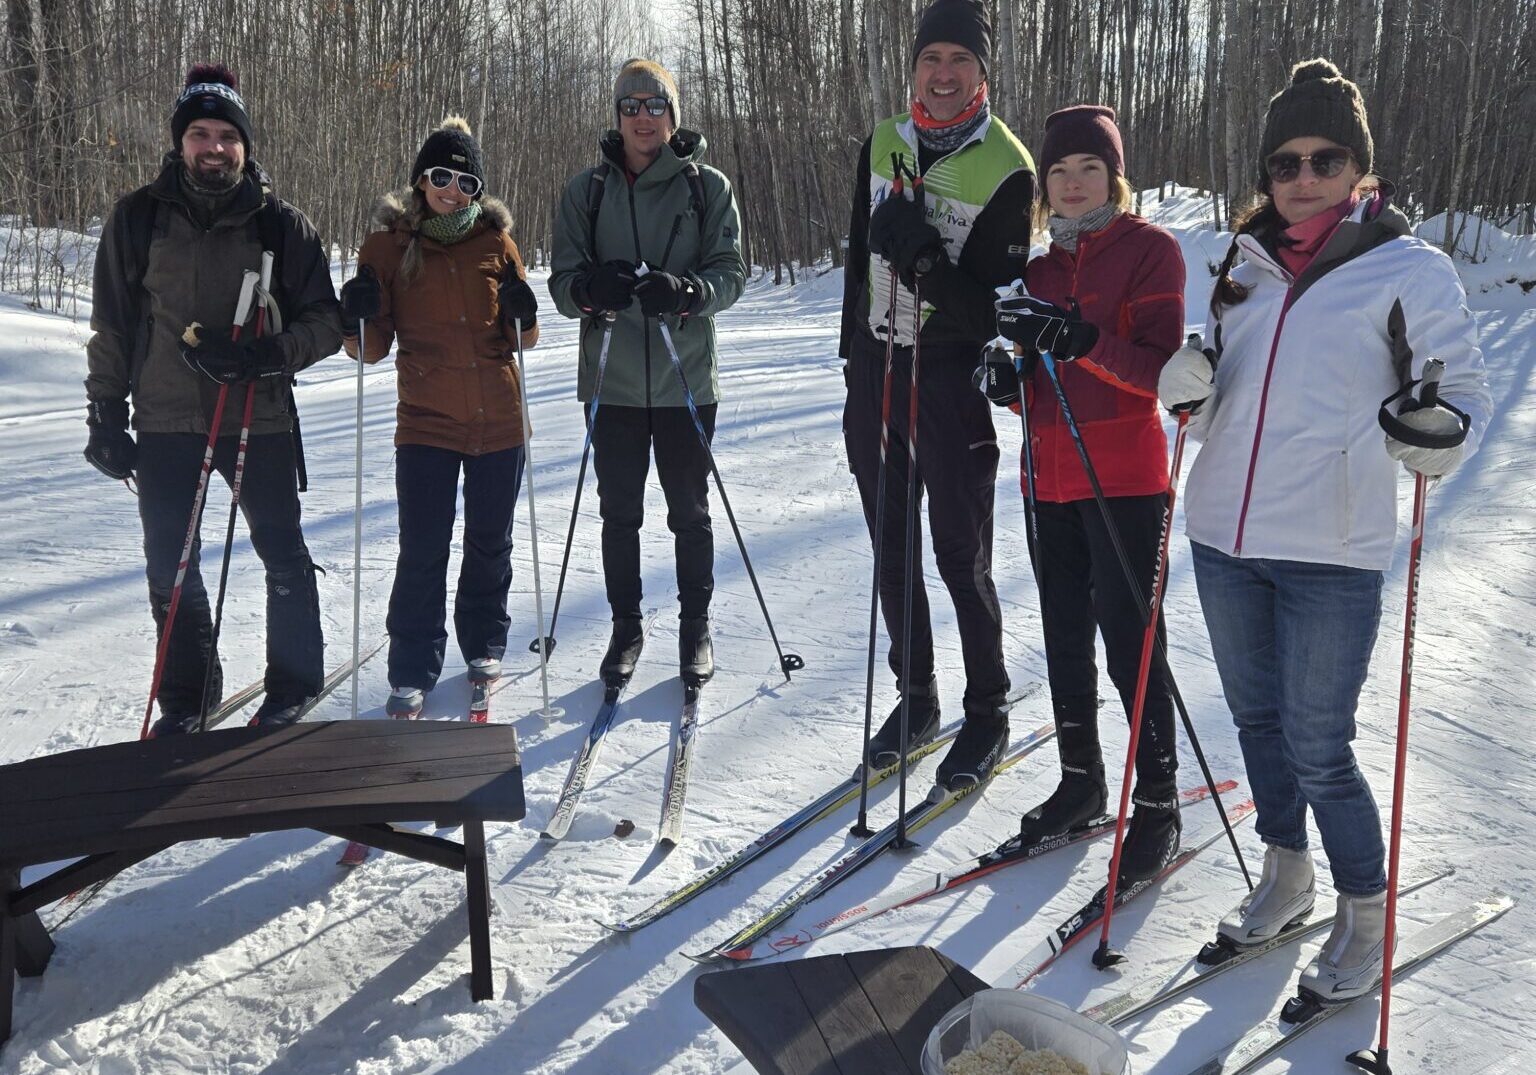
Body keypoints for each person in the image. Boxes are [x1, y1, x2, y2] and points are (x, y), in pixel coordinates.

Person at [1158, 59, 1491, 1002]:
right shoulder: (1242, 263)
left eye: (1324, 158)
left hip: (1330, 551)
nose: (1302, 178)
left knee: (1319, 741)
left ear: (1360, 171)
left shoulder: (1407, 268)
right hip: (1224, 534)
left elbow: (1459, 388)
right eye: (1284, 164)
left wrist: (1438, 434)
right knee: (1258, 724)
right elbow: (1214, 372)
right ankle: (1286, 871)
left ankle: (1364, 910)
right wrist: (1184, 384)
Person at [84, 63, 341, 734]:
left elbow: (326, 324)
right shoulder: (138, 218)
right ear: (180, 143)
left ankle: (293, 683)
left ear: (245, 145)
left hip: (260, 417)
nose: (213, 147)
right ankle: (187, 697)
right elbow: (110, 324)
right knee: (170, 564)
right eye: (199, 133)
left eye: (227, 134)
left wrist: (260, 356)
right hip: (167, 418)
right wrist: (105, 413)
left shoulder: (281, 226)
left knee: (281, 551)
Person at [988, 106, 1187, 880]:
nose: (1072, 185)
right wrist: (1007, 382)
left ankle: (1159, 800)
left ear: (1115, 177)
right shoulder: (1036, 270)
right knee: (1065, 636)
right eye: (1059, 173)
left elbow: (1161, 373)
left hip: (1128, 481)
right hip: (1048, 481)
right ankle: (1081, 781)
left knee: (1131, 643)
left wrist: (1075, 339)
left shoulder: (1151, 251)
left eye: (1089, 170)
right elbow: (1036, 389)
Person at [840, 0, 1035, 790]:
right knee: (893, 542)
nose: (943, 74)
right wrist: (854, 358)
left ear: (982, 71)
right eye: (931, 60)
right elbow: (860, 258)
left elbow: (992, 309)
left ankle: (987, 708)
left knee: (960, 553)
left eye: (960, 59)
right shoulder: (884, 141)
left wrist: (922, 257)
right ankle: (915, 694)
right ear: (913, 67)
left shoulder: (1009, 165)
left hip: (950, 375)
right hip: (878, 369)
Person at [548, 59, 745, 688]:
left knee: (689, 510)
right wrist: (588, 289)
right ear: (617, 117)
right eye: (630, 106)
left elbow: (731, 272)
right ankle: (625, 627)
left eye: (655, 105)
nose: (642, 118)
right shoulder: (588, 190)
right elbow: (560, 282)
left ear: (672, 114)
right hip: (613, 381)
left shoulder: (705, 187)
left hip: (685, 375)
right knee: (619, 513)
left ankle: (696, 627)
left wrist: (686, 291)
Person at [339, 117, 540, 718]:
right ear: (421, 180)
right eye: (444, 177)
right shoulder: (386, 248)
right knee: (422, 547)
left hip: (499, 421)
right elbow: (369, 349)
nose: (454, 191)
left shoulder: (497, 245)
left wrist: (523, 313)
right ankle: (412, 667)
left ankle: (483, 645)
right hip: (426, 422)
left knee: (490, 542)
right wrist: (358, 315)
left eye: (468, 182)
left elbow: (522, 339)